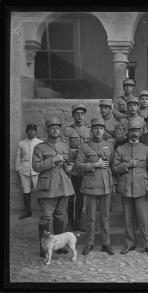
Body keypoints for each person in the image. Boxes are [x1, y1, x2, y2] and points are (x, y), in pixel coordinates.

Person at [32, 117, 74, 257]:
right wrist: (53, 160)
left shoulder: (64, 146)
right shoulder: (40, 147)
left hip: (63, 186)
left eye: (57, 127)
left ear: (60, 129)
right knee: (45, 218)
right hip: (48, 187)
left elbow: (68, 162)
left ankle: (59, 246)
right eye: (51, 127)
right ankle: (43, 248)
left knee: (60, 217)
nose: (55, 129)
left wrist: (69, 166)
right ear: (47, 129)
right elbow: (36, 166)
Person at [113, 120, 148, 256]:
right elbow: (114, 168)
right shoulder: (120, 149)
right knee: (128, 219)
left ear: (140, 132)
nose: (134, 133)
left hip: (142, 188)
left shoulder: (146, 149)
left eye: (137, 131)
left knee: (144, 219)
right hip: (126, 187)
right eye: (131, 131)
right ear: (128, 132)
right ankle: (129, 244)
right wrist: (127, 165)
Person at [75, 118, 115, 256]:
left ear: (104, 130)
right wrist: (93, 165)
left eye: (101, 128)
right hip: (91, 186)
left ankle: (106, 243)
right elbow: (77, 165)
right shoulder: (84, 147)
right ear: (91, 130)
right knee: (91, 217)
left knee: (105, 217)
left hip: (106, 185)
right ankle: (89, 243)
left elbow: (113, 164)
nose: (98, 131)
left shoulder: (109, 146)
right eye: (95, 128)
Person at [63, 104, 91, 232]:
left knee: (80, 196)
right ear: (73, 115)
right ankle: (70, 221)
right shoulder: (68, 130)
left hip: (83, 167)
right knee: (70, 196)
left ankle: (78, 221)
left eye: (82, 114)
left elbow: (90, 148)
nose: (80, 116)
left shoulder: (88, 130)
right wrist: (74, 154)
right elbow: (64, 149)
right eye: (77, 114)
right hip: (71, 166)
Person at [16, 124, 43, 219]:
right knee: (25, 190)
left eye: (33, 130)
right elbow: (18, 157)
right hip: (24, 170)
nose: (31, 132)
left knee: (39, 190)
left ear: (36, 132)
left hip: (37, 170)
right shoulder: (21, 143)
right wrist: (18, 169)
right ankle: (28, 211)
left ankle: (44, 211)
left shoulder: (40, 142)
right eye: (29, 130)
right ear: (26, 131)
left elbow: (43, 157)